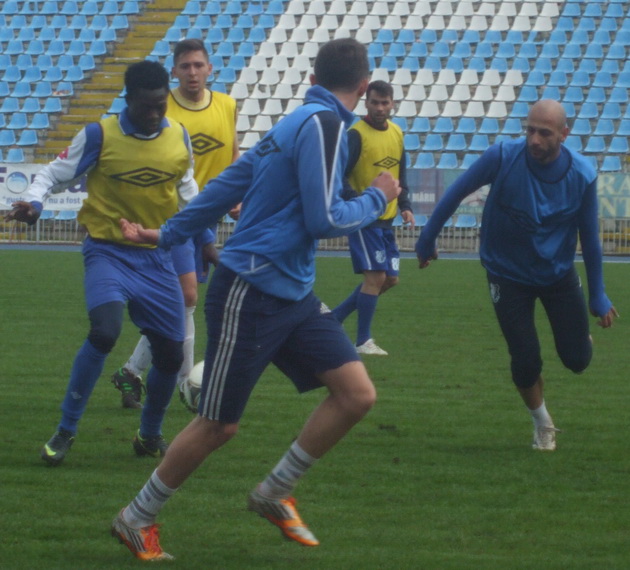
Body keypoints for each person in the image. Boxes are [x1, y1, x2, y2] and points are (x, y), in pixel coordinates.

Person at [110, 38, 401, 562]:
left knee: (356, 394)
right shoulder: (325, 125)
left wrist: (168, 233)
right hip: (251, 289)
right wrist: (377, 196)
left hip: (292, 292)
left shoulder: (294, 122)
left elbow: (227, 185)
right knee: (218, 423)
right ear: (363, 87)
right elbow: (324, 219)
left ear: (313, 78)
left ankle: (274, 491)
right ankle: (135, 517)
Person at [5, 60, 202, 466]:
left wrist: (210, 230)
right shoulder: (99, 135)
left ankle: (149, 435)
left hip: (157, 258)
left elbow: (189, 193)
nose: (154, 114)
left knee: (170, 355)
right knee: (105, 331)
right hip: (108, 252)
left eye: (161, 105)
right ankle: (65, 430)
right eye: (146, 106)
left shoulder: (179, 137)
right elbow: (51, 174)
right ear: (128, 100)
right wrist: (36, 204)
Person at [416, 99, 618, 451]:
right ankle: (543, 422)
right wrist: (427, 237)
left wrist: (598, 294)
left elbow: (589, 237)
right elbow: (458, 191)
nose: (534, 140)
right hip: (506, 274)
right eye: (530, 131)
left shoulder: (582, 174)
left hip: (557, 273)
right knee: (525, 360)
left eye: (545, 133)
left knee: (577, 360)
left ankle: (578, 339)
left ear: (564, 134)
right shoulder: (502, 157)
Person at [111, 39, 240, 409]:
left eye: (199, 65)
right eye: (185, 66)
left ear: (210, 68)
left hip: (205, 215)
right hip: (171, 217)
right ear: (174, 72)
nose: (193, 72)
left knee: (184, 301)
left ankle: (133, 371)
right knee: (185, 298)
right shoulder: (161, 109)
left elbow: (233, 152)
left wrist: (236, 193)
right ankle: (183, 382)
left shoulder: (227, 105)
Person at [332, 80, 415, 355]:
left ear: (392, 104)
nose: (380, 108)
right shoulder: (356, 134)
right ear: (366, 102)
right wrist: (357, 200)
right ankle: (363, 340)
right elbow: (339, 174)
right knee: (376, 277)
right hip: (364, 218)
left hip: (386, 220)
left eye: (385, 103)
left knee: (390, 279)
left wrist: (405, 205)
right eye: (375, 102)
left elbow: (401, 173)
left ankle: (334, 318)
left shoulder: (397, 133)